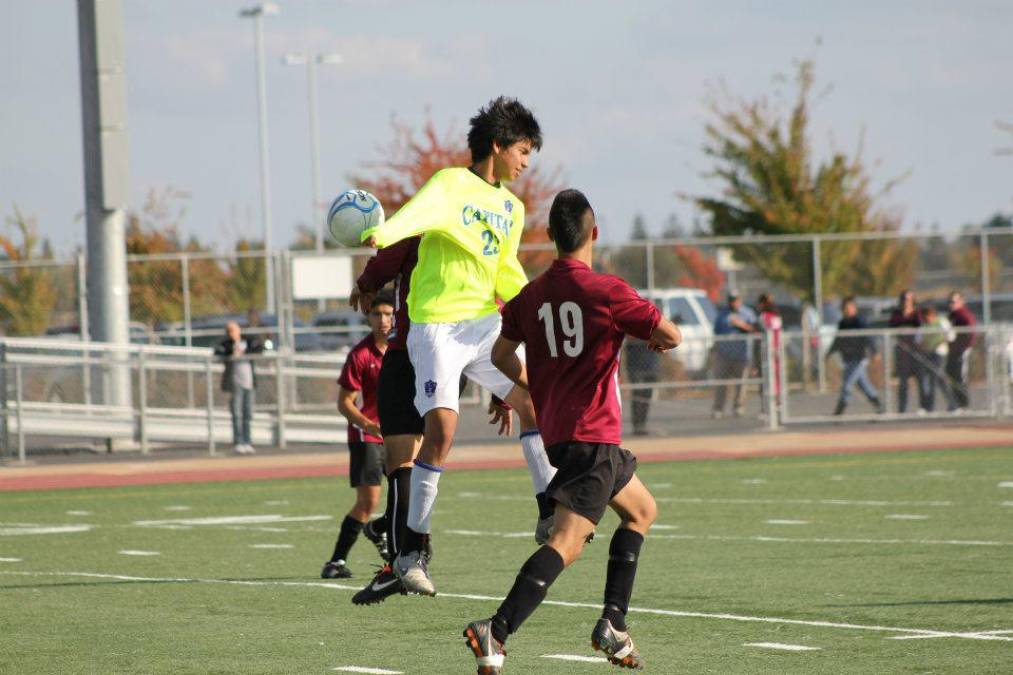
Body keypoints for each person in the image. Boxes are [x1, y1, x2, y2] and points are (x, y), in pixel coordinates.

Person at [463, 189, 681, 673]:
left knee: (642, 510)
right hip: (593, 436)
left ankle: (614, 625)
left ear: (550, 237)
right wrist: (654, 337)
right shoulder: (607, 290)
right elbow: (671, 335)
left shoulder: (530, 296)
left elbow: (501, 356)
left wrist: (533, 382)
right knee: (565, 544)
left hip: (563, 437)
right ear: (594, 233)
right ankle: (496, 629)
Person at [361, 96, 557, 597]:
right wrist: (379, 232)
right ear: (497, 145)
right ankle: (411, 549)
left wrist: (538, 310)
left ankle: (549, 508)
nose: (527, 160)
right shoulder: (450, 184)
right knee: (443, 431)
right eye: (522, 149)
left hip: (483, 324)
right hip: (437, 328)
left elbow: (507, 273)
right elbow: (411, 217)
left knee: (536, 397)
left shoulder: (511, 208)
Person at [347, 237, 516, 604]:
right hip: (456, 356)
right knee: (425, 457)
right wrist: (502, 386)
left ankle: (402, 563)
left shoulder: (424, 224)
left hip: (413, 350)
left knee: (402, 464)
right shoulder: (479, 233)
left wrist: (365, 284)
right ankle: (414, 554)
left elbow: (385, 262)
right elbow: (500, 304)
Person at [322, 292, 395, 579]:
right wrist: (369, 425)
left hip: (398, 436)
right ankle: (335, 562)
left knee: (410, 495)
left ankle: (378, 530)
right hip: (367, 438)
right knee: (368, 503)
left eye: (389, 314)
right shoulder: (361, 355)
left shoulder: (405, 349)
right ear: (369, 318)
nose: (383, 320)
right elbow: (345, 402)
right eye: (377, 314)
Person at [214, 321, 264, 454]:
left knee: (248, 413)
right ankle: (238, 442)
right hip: (235, 384)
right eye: (229, 330)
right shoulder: (226, 344)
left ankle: (247, 441)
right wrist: (231, 351)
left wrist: (244, 351)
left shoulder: (247, 341)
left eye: (233, 330)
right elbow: (218, 353)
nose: (231, 333)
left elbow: (260, 348)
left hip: (249, 383)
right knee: (237, 413)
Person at [826, 297, 882, 415]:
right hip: (848, 359)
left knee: (847, 384)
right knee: (864, 385)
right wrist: (829, 352)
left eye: (849, 308)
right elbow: (838, 340)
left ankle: (839, 412)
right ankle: (880, 408)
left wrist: (874, 351)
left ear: (854, 308)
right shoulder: (843, 323)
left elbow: (868, 337)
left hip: (859, 359)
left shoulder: (859, 321)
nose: (847, 310)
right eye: (845, 308)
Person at [710, 290, 757, 418]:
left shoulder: (747, 313)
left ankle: (738, 407)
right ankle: (718, 408)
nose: (733, 303)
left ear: (740, 300)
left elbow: (755, 329)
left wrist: (741, 325)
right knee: (720, 384)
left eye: (735, 300)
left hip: (742, 355)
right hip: (724, 355)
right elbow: (716, 332)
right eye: (731, 300)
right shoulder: (722, 314)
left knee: (741, 384)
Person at [917, 305, 955, 412]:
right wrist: (925, 347)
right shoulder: (923, 325)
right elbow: (918, 340)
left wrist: (937, 344)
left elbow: (951, 336)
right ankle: (953, 404)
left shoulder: (941, 321)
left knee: (933, 379)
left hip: (940, 354)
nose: (925, 320)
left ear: (932, 315)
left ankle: (929, 408)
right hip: (928, 354)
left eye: (927, 317)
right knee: (940, 380)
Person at [946, 291, 977, 410]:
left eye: (953, 302)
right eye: (949, 302)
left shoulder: (964, 315)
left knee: (960, 376)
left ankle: (963, 403)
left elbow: (970, 333)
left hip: (961, 350)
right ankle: (955, 402)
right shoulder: (951, 315)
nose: (950, 304)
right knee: (951, 374)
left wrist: (965, 347)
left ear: (961, 302)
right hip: (953, 351)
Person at [623, 338, 659, 436]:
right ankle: (637, 425)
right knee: (638, 394)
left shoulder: (654, 328)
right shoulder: (633, 329)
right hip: (636, 367)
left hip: (651, 366)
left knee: (647, 395)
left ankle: (642, 423)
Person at [756, 293, 783, 416]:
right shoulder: (777, 316)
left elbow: (760, 331)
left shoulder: (764, 316)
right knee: (776, 378)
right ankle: (777, 404)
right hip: (777, 349)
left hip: (768, 351)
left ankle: (767, 407)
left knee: (767, 379)